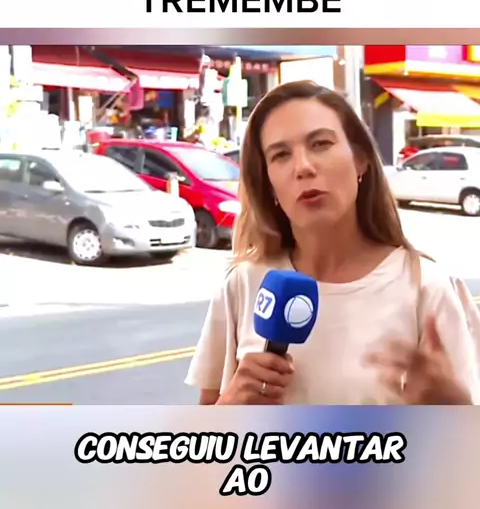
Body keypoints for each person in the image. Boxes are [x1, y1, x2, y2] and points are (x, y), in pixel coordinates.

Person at [185, 81, 480, 405]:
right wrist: (230, 406)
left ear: (361, 160)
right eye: (281, 155)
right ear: (268, 183)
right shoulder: (242, 284)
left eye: (321, 144)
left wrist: (451, 409)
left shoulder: (427, 288)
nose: (303, 167)